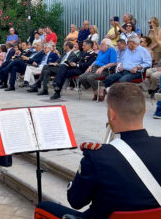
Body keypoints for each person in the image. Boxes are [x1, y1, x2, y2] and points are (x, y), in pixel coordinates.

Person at [35, 82, 161, 219]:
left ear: (111, 114)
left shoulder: (97, 157)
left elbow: (75, 201)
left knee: (43, 208)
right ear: (143, 111)